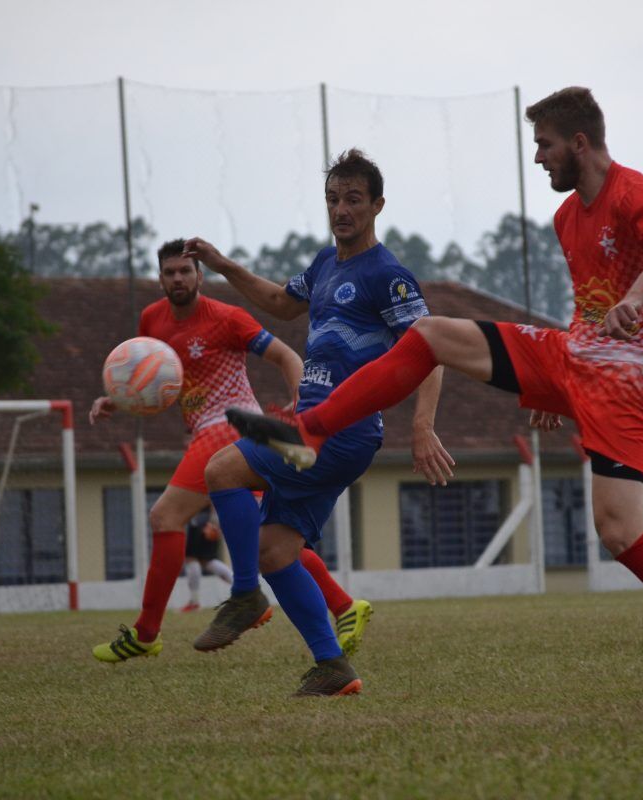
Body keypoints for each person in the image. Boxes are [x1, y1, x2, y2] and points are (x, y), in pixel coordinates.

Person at [226, 89, 643, 700]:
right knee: (429, 334)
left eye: (545, 145)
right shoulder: (566, 218)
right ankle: (309, 430)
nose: (538, 158)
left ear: (578, 143)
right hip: (574, 357)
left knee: (619, 532)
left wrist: (635, 301)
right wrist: (553, 384)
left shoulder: (629, 191)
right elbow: (590, 306)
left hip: (622, 385)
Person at [182, 149, 454, 696]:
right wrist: (226, 267)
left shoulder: (387, 274)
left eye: (354, 199)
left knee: (220, 470)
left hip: (341, 431)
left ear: (378, 205)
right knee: (275, 550)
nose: (342, 210)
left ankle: (243, 596)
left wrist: (423, 424)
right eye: (333, 199)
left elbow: (431, 348)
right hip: (324, 429)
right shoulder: (326, 265)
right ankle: (333, 666)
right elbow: (282, 304)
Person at [90, 238, 372, 663]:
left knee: (166, 516)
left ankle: (148, 633)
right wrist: (120, 398)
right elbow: (152, 377)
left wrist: (302, 405)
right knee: (269, 539)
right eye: (170, 272)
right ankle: (345, 605)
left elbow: (287, 356)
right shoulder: (152, 320)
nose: (178, 278)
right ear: (160, 278)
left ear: (200, 276)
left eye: (186, 271)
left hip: (231, 429)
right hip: (213, 435)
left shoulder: (225, 318)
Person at [179, 506, 231, 612]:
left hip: (199, 518)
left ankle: (194, 602)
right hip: (208, 518)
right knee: (207, 560)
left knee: (192, 559)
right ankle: (246, 589)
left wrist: (214, 518)